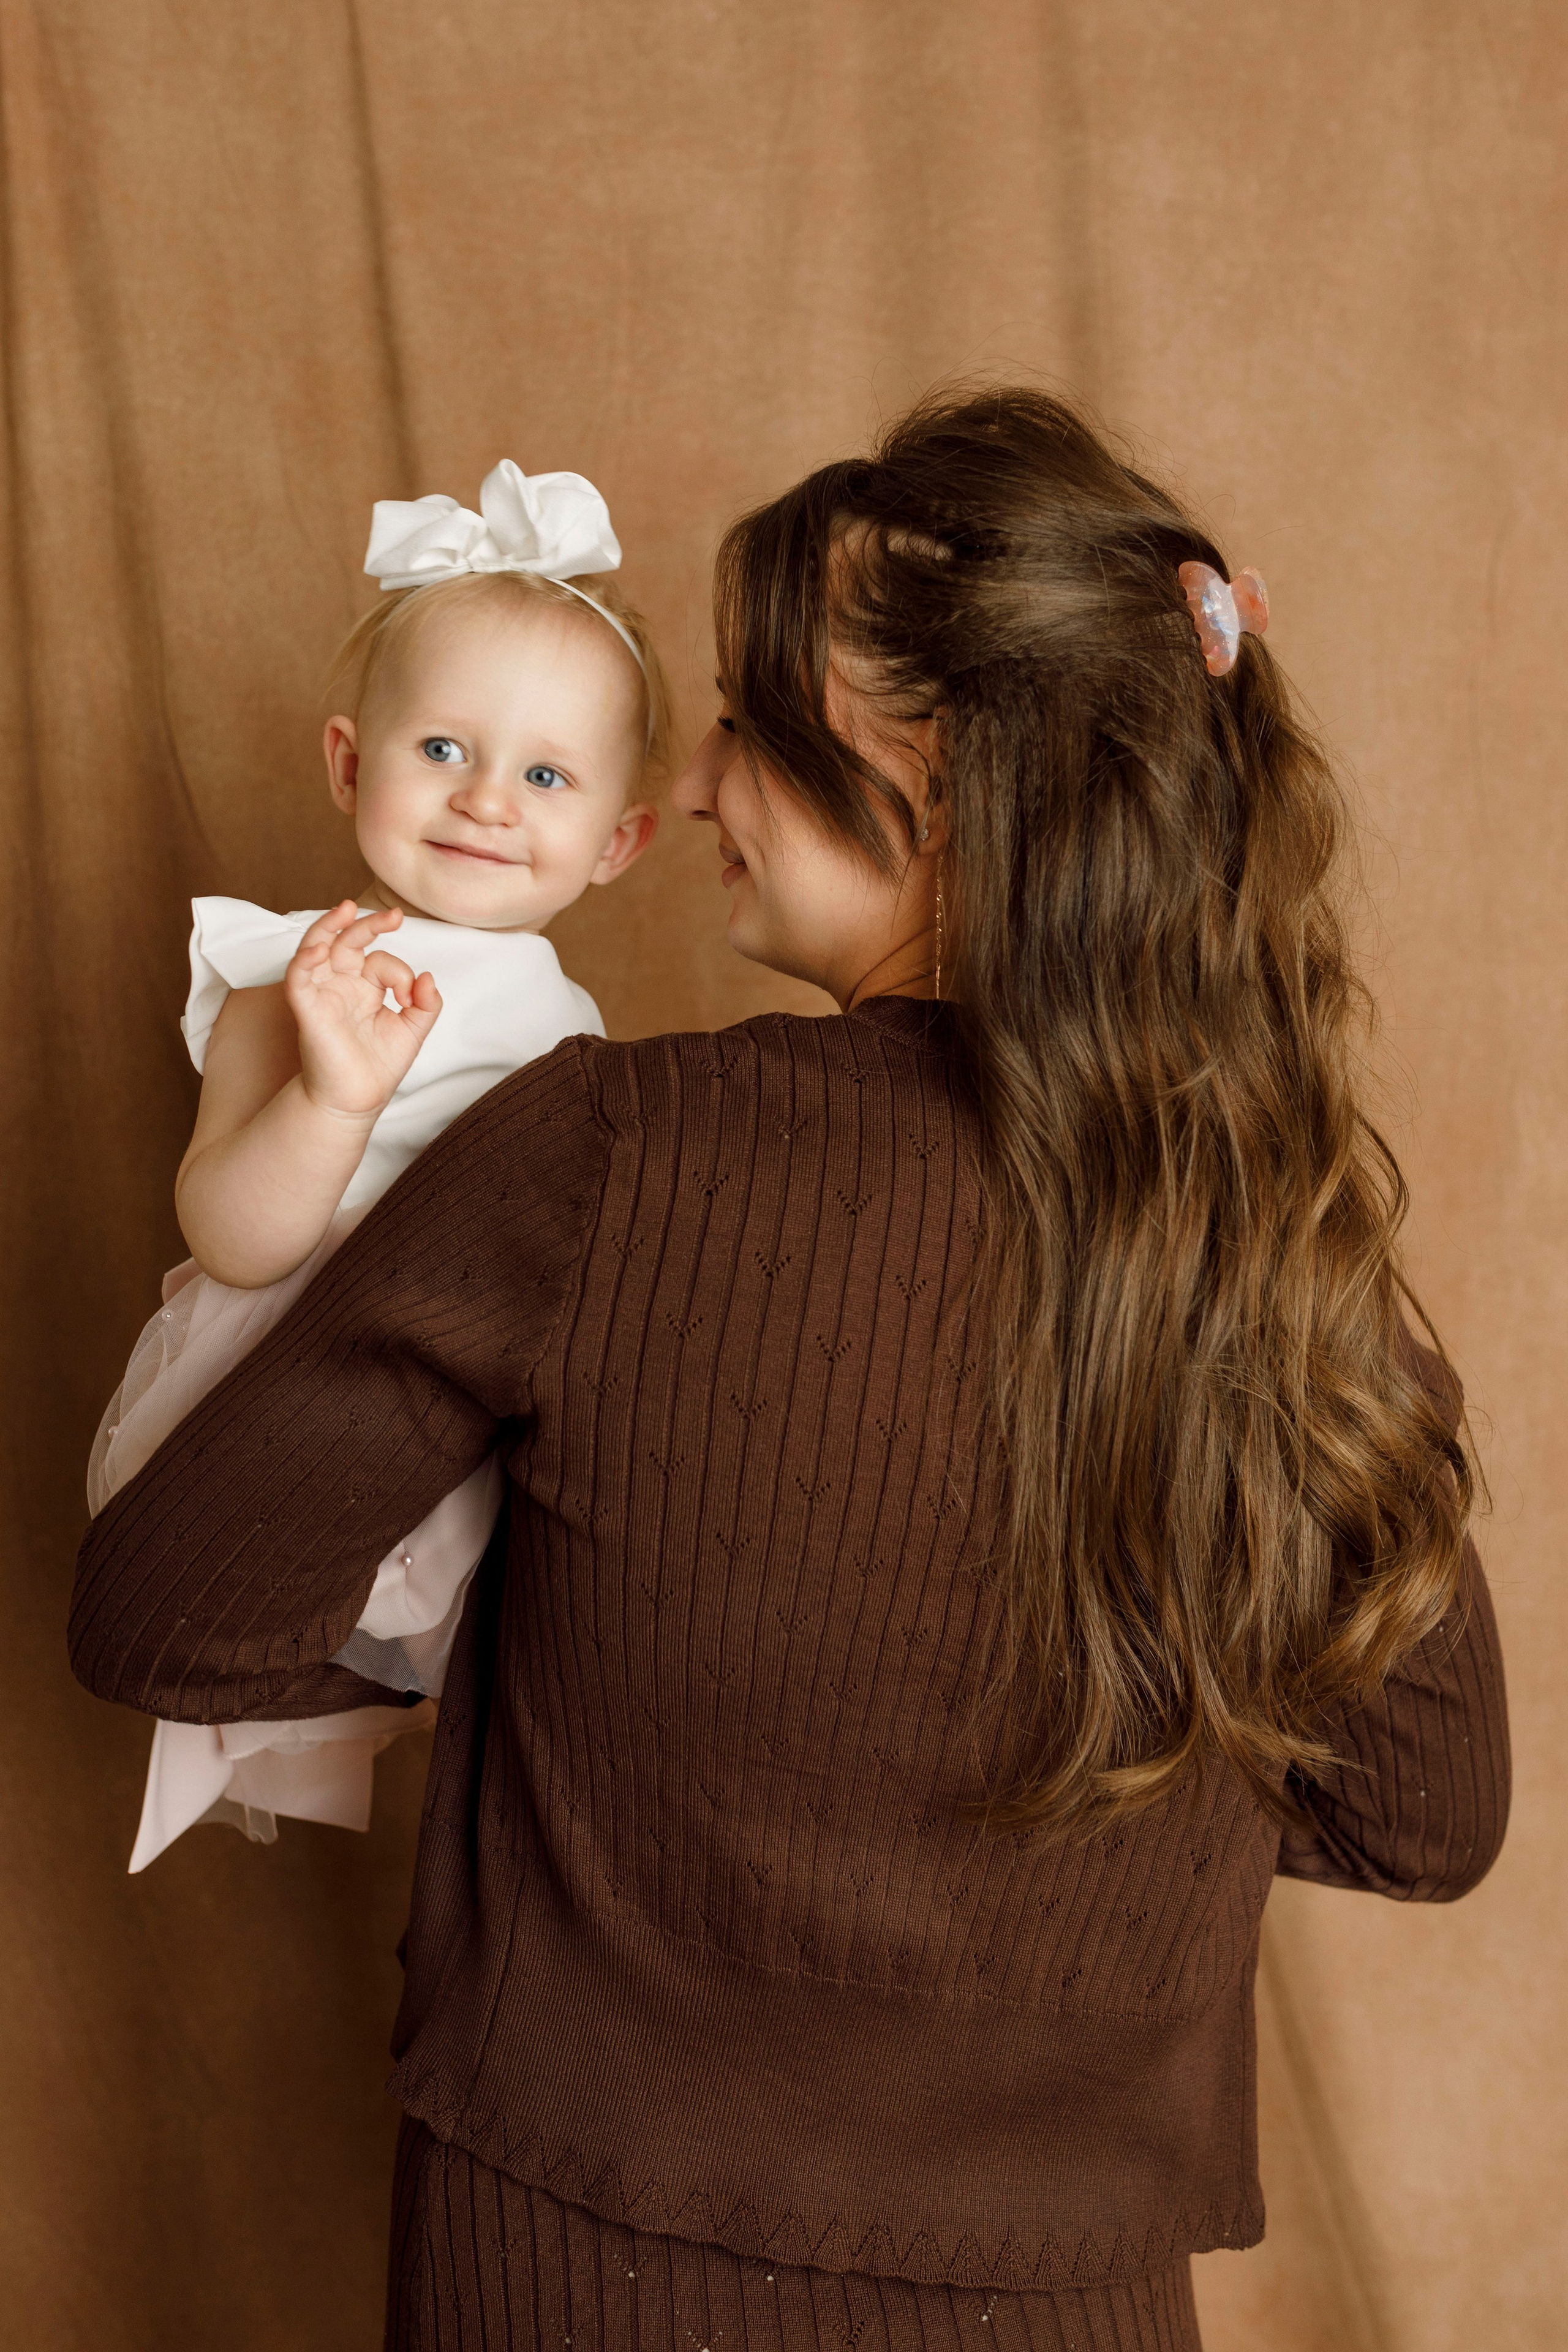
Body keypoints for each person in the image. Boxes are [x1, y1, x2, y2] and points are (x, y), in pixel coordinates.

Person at [71, 389, 1509, 2352]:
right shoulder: (1266, 1238)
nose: (708, 785)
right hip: (1064, 2286)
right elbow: (1426, 1818)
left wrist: (539, 1641)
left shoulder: (602, 1156)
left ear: (921, 776)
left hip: (571, 2253)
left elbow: (166, 1616)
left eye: (747, 723)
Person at [88, 460, 667, 1868]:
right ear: (351, 762)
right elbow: (233, 1233)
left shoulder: (582, 1033)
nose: (485, 802)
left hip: (485, 1409)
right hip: (296, 1383)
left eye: (545, 776)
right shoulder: (284, 977)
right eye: (441, 751)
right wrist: (333, 1102)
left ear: (615, 842)